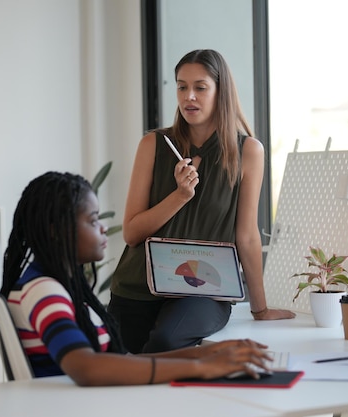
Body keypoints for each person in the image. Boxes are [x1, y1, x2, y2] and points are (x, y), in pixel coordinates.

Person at [0, 171, 272, 386]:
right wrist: (202, 367)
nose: (103, 227)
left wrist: (208, 354)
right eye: (93, 221)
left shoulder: (52, 285)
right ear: (56, 230)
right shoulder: (44, 291)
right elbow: (86, 368)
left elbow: (123, 361)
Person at [108, 49, 295, 354]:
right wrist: (179, 196)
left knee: (165, 343)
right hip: (137, 288)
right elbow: (131, 233)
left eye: (200, 87)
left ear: (221, 92)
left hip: (203, 291)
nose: (189, 96)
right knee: (120, 372)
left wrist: (260, 309)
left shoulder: (248, 151)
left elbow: (246, 236)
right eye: (182, 87)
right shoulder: (152, 145)